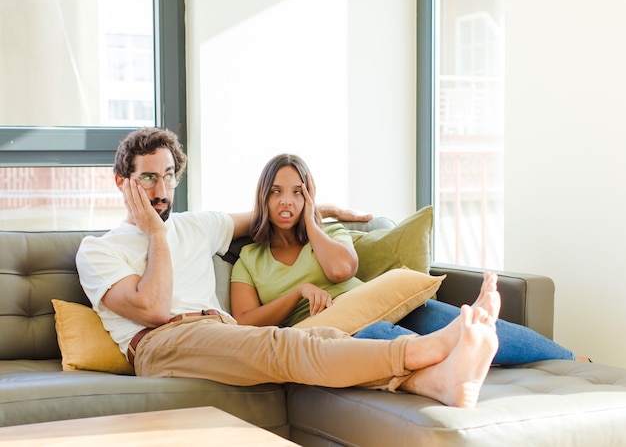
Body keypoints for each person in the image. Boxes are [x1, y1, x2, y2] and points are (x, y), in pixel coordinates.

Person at [75, 126, 501, 409]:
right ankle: (429, 348)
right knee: (279, 345)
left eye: (169, 176)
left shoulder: (199, 224)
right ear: (122, 182)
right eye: (148, 178)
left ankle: (435, 383)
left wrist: (322, 210)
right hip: (160, 342)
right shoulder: (99, 250)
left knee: (322, 336)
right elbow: (152, 309)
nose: (162, 190)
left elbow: (268, 212)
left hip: (221, 331)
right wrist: (155, 234)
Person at [230, 153, 580, 366]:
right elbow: (244, 323)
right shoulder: (250, 257)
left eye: (297, 192)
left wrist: (311, 221)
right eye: (276, 192)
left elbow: (342, 270)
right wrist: (298, 293)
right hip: (335, 331)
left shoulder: (331, 232)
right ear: (264, 196)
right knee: (382, 336)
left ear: (310, 196)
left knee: (459, 318)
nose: (286, 202)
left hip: (377, 302)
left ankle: (571, 360)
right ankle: (452, 356)